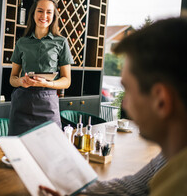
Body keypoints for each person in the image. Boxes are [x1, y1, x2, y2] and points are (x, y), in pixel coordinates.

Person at [40, 17, 187, 195]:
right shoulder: (169, 158)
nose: (124, 102)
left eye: (128, 89)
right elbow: (133, 186)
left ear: (161, 101)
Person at [8, 0, 74, 136]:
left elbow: (67, 81)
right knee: (18, 152)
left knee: (51, 150)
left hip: (48, 104)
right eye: (40, 10)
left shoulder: (61, 42)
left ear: (54, 15)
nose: (44, 15)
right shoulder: (22, 42)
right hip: (21, 105)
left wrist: (47, 83)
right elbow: (12, 79)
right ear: (33, 13)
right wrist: (21, 81)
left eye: (49, 12)